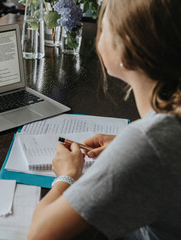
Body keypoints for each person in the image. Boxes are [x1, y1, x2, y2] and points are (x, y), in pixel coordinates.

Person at [28, 0, 181, 239]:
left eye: (104, 28)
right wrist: (124, 145)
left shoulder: (147, 143)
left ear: (128, 50)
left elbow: (39, 233)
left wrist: (66, 175)